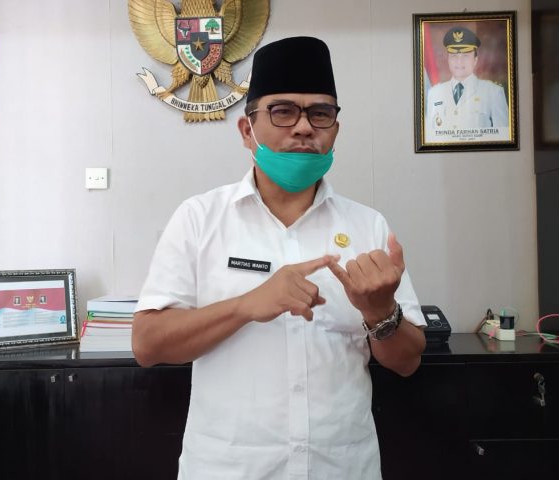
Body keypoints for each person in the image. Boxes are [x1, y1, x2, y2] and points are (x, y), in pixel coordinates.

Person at [133, 36, 427, 479]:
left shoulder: (368, 227)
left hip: (340, 467)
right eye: (283, 111)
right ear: (246, 130)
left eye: (320, 113)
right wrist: (246, 305)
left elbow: (407, 361)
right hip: (230, 469)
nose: (304, 127)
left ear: (335, 130)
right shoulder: (199, 219)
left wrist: (380, 312)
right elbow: (147, 344)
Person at [425, 26, 509, 142]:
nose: (459, 62)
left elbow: (503, 138)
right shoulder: (434, 93)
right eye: (454, 56)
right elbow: (430, 137)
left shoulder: (493, 92)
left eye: (465, 56)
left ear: (475, 60)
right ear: (448, 60)